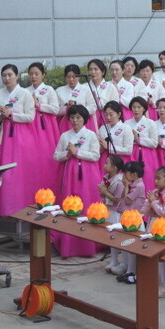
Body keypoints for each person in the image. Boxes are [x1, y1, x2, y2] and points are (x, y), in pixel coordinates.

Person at [0, 64, 48, 217]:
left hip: (21, 136)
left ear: (17, 76)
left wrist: (12, 115)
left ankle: (23, 207)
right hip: (1, 136)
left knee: (21, 171)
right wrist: (1, 116)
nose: (7, 78)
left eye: (10, 75)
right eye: (4, 75)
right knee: (0, 168)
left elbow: (30, 116)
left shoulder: (25, 94)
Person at [53, 105, 102, 257]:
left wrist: (78, 152)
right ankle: (69, 244)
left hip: (87, 174)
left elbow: (96, 155)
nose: (75, 121)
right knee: (70, 205)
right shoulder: (65, 136)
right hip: (70, 173)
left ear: (84, 119)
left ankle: (89, 244)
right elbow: (56, 155)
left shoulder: (91, 135)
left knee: (87, 204)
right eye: (72, 118)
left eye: (78, 118)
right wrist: (67, 154)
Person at [141, 166, 165, 298]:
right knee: (159, 257)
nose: (156, 181)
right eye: (155, 178)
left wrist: (153, 203)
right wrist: (148, 202)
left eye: (159, 178)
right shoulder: (156, 193)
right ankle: (162, 283)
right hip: (156, 228)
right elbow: (145, 211)